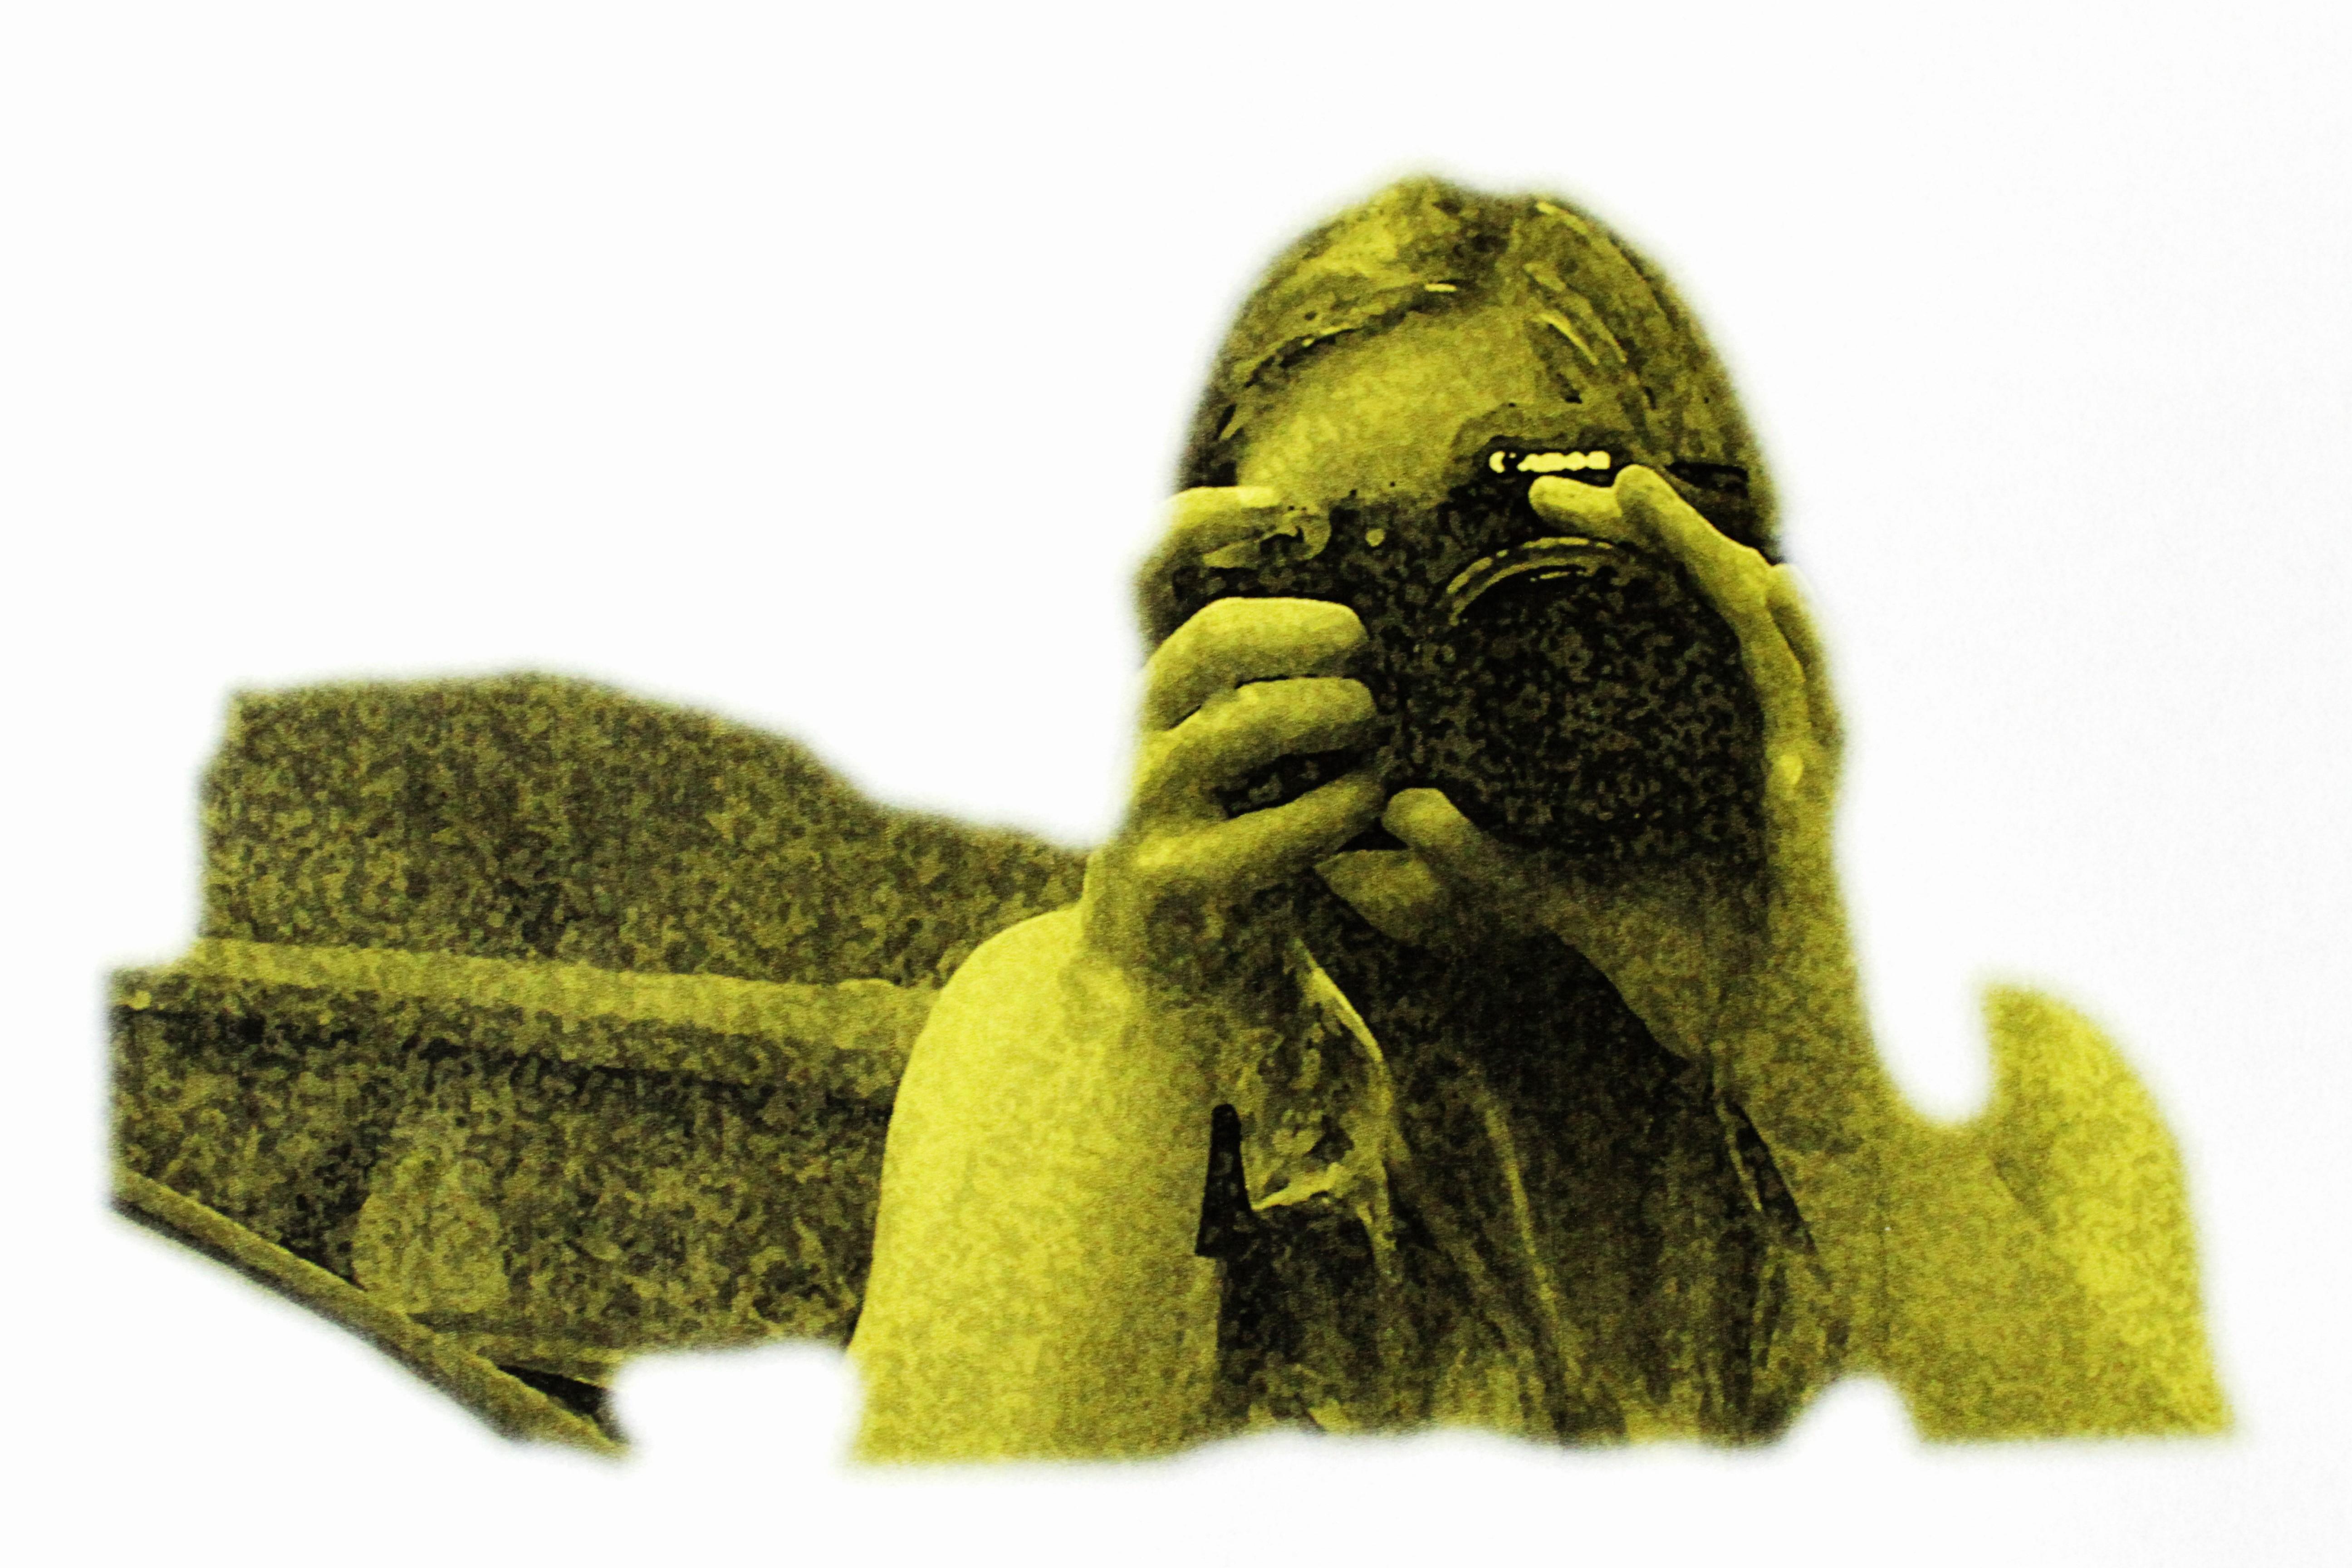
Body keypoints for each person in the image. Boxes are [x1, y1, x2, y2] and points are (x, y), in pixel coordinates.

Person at [847, 177, 2229, 1460]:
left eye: (1525, 573)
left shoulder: (2015, 1098)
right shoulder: (1077, 1024)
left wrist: (1819, 1083)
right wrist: (1138, 1010)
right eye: (1354, 578)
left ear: (1722, 579)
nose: (1453, 655)